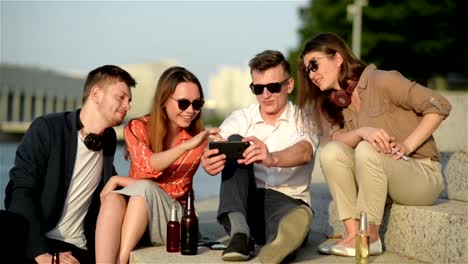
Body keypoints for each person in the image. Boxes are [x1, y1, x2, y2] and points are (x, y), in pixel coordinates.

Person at [296, 32, 452, 257]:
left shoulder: (382, 80)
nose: (311, 74)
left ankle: (370, 236)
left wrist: (407, 146)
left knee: (367, 148)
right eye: (306, 70)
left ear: (338, 59)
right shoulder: (337, 102)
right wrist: (361, 131)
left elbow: (440, 105)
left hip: (421, 175)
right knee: (331, 152)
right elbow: (336, 140)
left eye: (314, 64)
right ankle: (353, 234)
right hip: (381, 179)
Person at [4, 65, 136, 263]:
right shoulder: (48, 129)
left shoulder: (107, 140)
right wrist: (42, 255)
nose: (127, 106)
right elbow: (19, 192)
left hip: (77, 249)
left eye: (129, 100)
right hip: (37, 242)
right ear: (96, 94)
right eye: (121, 97)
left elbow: (109, 193)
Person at [201, 50, 319, 264]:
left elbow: (305, 151)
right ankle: (240, 233)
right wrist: (208, 159)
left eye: (273, 87)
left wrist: (271, 158)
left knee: (290, 217)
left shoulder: (304, 119)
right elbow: (218, 145)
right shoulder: (241, 118)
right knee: (235, 141)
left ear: (289, 85)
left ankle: (277, 243)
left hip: (288, 202)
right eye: (258, 88)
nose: (266, 95)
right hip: (246, 205)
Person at [95, 66, 217, 263]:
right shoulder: (137, 127)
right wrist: (185, 148)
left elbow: (174, 189)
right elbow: (146, 168)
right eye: (184, 103)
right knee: (113, 199)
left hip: (173, 222)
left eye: (197, 104)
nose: (190, 111)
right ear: (164, 100)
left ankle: (122, 260)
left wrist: (119, 179)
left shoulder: (196, 140)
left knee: (140, 190)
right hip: (140, 215)